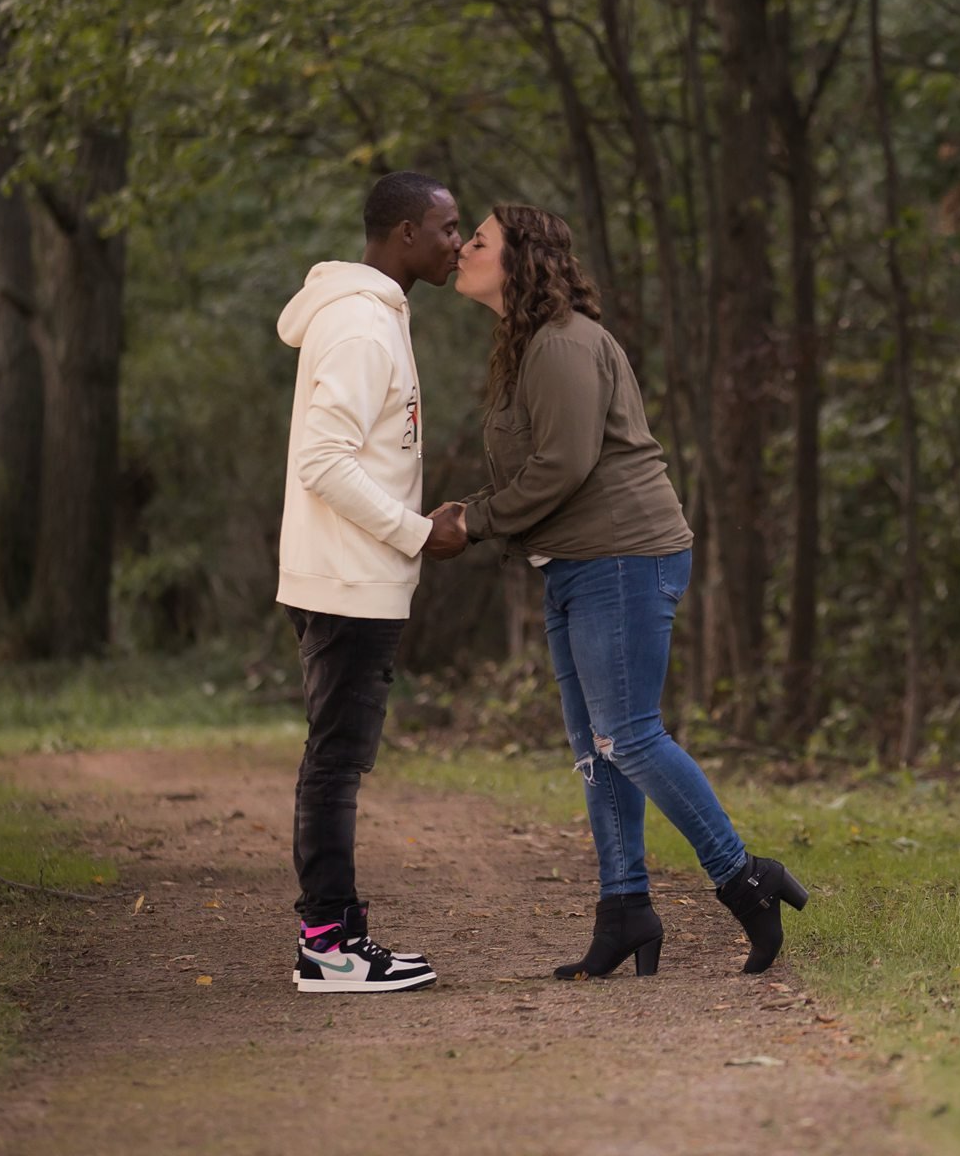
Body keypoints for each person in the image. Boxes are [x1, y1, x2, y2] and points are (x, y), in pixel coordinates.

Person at [437, 203, 806, 978]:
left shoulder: (564, 344)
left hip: (622, 557)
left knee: (629, 735)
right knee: (595, 750)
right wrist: (469, 513)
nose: (463, 249)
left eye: (478, 240)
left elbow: (563, 466)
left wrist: (474, 523)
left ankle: (746, 879)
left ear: (520, 259)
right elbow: (537, 468)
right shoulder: (528, 346)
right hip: (577, 561)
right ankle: (625, 908)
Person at [275, 171, 470, 993]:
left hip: (355, 575)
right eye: (448, 228)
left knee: (337, 760)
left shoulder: (376, 314)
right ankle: (327, 947)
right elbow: (323, 462)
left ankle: (340, 936)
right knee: (334, 764)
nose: (458, 242)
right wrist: (418, 533)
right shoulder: (361, 327)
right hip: (348, 580)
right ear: (403, 237)